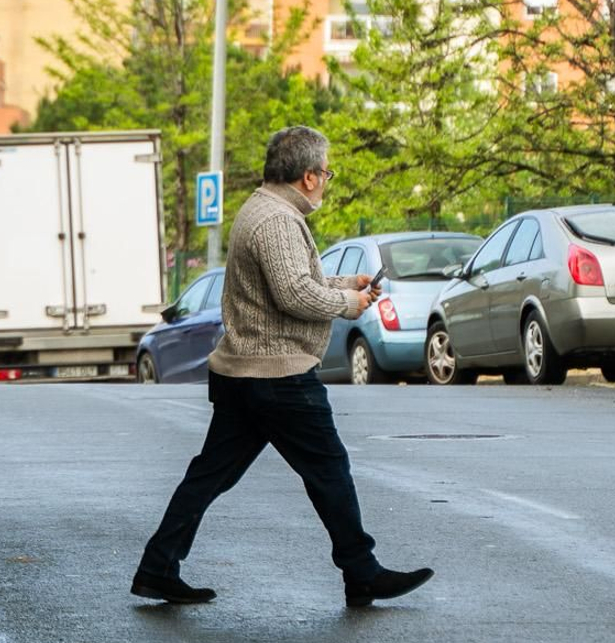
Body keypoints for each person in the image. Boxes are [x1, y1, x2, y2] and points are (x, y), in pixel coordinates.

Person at [132, 125, 434, 610]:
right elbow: (294, 294)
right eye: (326, 173)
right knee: (329, 469)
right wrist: (349, 303)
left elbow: (291, 281)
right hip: (277, 374)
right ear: (309, 176)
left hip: (245, 372)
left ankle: (157, 566)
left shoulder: (264, 209)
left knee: (210, 475)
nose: (326, 182)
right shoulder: (276, 220)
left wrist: (346, 283)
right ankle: (362, 572)